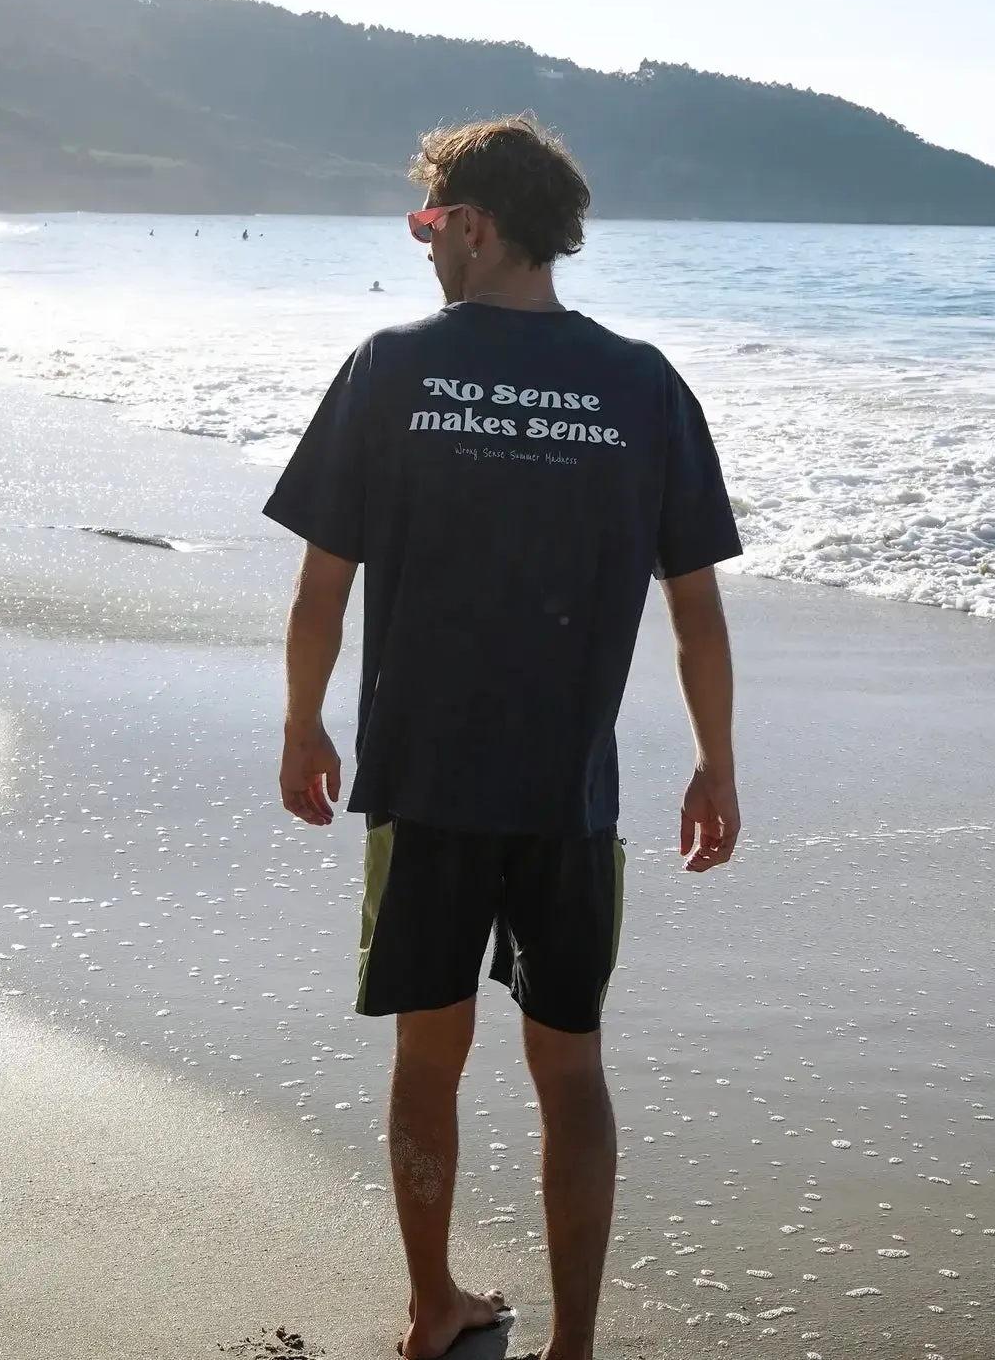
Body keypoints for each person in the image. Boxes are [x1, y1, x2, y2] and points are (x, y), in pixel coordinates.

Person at [264, 116, 742, 1360]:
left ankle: (432, 1310)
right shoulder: (642, 382)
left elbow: (324, 589)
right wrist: (715, 762)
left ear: (474, 224)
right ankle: (572, 1347)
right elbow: (696, 606)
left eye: (428, 226)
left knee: (431, 1052)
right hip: (568, 795)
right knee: (571, 1068)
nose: (423, 248)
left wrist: (303, 724)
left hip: (424, 782)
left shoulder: (390, 367)